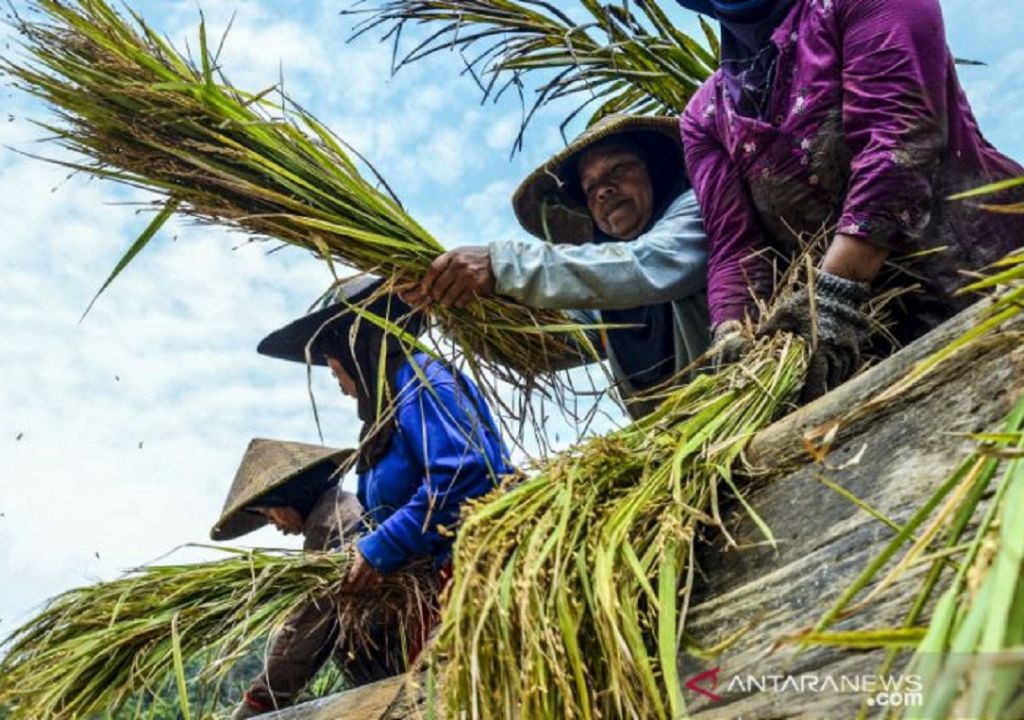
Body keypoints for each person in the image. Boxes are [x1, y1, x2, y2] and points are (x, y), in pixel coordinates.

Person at [676, 0, 1024, 400]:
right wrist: (733, 332)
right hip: (872, 350)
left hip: (988, 280)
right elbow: (737, 247)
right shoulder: (704, 116)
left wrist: (834, 295)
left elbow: (898, 142)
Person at [225, 277, 513, 717]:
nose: (337, 380)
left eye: (333, 363)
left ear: (359, 348)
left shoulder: (423, 380)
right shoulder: (384, 422)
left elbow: (466, 473)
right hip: (434, 595)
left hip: (477, 575)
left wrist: (380, 547)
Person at [405, 115, 711, 419]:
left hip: (733, 406)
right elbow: (543, 346)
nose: (603, 191)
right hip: (681, 446)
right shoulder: (607, 309)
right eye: (590, 189)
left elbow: (644, 264)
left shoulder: (697, 211)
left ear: (656, 168)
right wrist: (452, 305)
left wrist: (501, 265)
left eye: (619, 169)